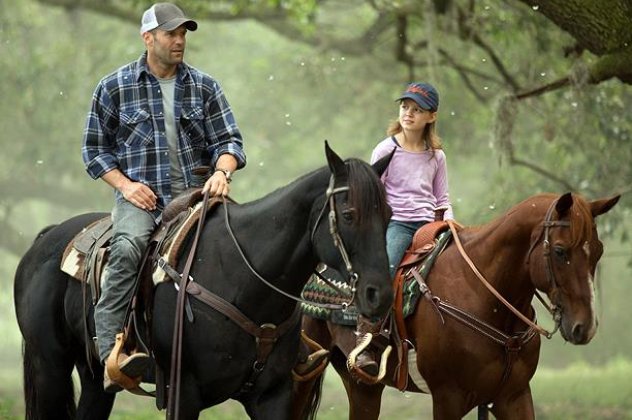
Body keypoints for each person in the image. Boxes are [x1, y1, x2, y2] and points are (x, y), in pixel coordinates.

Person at [82, 2, 246, 392]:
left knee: (245, 246)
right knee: (128, 248)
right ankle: (111, 352)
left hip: (196, 197)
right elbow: (95, 151)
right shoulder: (114, 86)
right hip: (141, 199)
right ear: (148, 37)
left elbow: (229, 141)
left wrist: (222, 172)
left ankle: (262, 347)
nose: (179, 40)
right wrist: (125, 186)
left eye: (183, 33)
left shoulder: (205, 86)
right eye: (171, 33)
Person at [352, 81, 454, 380]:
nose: (408, 113)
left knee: (455, 268)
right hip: (397, 223)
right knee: (387, 268)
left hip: (430, 224)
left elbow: (442, 198)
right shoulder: (387, 149)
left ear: (431, 117)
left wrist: (449, 222)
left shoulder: (436, 156)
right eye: (405, 107)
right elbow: (373, 194)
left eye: (417, 109)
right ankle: (368, 336)